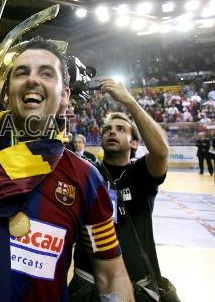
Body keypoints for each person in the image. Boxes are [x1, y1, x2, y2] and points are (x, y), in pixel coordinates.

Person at [0, 37, 133, 301]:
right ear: (7, 91)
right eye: (21, 73)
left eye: (46, 73)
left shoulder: (84, 177)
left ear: (65, 97)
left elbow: (110, 274)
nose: (32, 80)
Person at [70, 79, 172, 301]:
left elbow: (161, 152)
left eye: (120, 129)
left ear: (134, 143)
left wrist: (130, 102)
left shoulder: (141, 173)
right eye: (107, 129)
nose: (111, 132)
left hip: (139, 286)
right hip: (87, 283)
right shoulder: (87, 173)